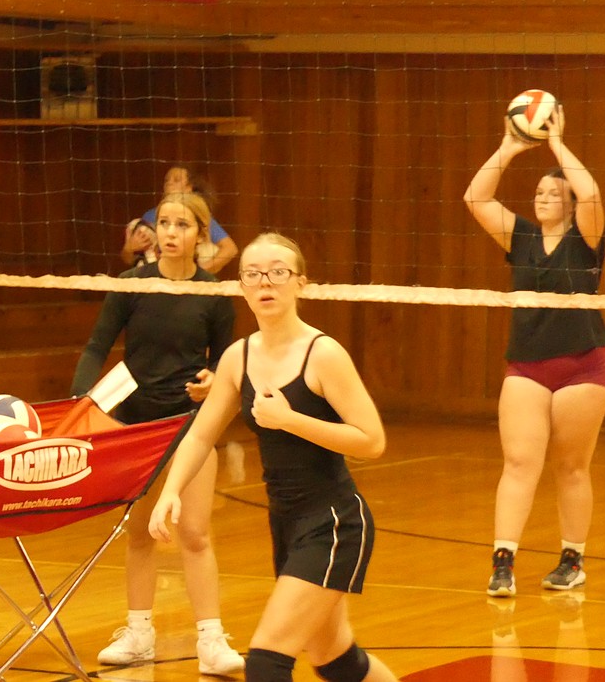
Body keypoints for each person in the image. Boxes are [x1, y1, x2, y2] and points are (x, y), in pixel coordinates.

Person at [149, 233, 399, 682]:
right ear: (242, 286)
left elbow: (372, 440)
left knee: (266, 662)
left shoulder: (323, 353)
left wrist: (289, 419)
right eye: (253, 273)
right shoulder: (237, 357)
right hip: (286, 523)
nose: (266, 282)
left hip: (335, 522)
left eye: (278, 272)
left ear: (300, 282)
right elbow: (201, 435)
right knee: (336, 661)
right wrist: (170, 490)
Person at [73, 191, 244, 676]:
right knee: (141, 533)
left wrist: (213, 379)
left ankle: (211, 640)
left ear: (201, 235)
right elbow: (95, 347)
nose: (170, 232)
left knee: (193, 533)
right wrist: (82, 403)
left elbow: (224, 361)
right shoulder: (130, 285)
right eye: (164, 223)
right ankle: (138, 633)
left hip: (190, 426)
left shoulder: (213, 293)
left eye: (182, 225)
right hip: (136, 428)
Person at [463, 105, 605, 597]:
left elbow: (589, 192)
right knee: (519, 463)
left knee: (570, 466)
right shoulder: (521, 236)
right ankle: (503, 561)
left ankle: (572, 559)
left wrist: (555, 144)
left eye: (554, 193)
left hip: (583, 364)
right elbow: (475, 196)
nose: (544, 197)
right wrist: (510, 146)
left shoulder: (586, 238)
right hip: (525, 364)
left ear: (568, 205)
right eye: (539, 192)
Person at [121, 165, 239, 274]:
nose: (169, 183)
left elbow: (230, 249)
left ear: (189, 188)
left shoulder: (196, 216)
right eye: (167, 180)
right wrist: (129, 248)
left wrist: (202, 271)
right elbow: (129, 259)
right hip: (153, 281)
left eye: (176, 180)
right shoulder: (150, 216)